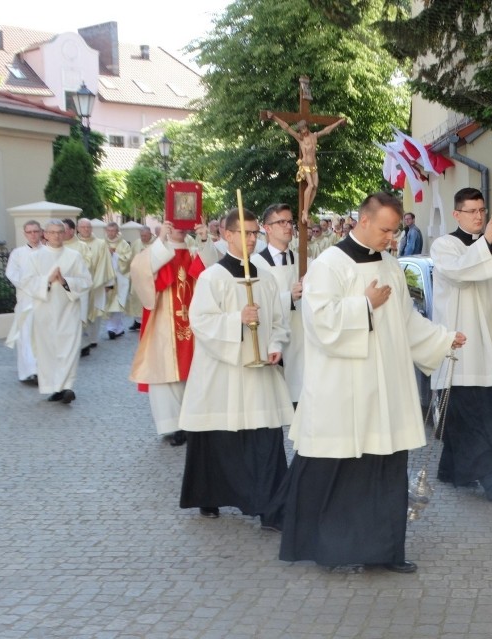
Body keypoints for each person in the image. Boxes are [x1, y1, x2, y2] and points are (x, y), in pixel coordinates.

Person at [277, 192, 465, 573]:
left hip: (387, 389)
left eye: (394, 230)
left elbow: (406, 320)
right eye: (385, 229)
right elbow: (319, 322)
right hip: (344, 389)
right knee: (339, 471)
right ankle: (330, 550)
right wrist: (363, 305)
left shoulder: (391, 265)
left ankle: (384, 551)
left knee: (386, 469)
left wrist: (442, 339)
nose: (391, 237)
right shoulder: (329, 264)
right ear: (363, 221)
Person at [178, 209, 293, 527]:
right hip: (223, 374)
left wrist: (274, 346)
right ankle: (210, 496)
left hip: (259, 375)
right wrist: (236, 320)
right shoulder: (211, 277)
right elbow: (199, 321)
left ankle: (272, 507)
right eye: (245, 233)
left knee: (265, 438)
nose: (252, 238)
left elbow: (279, 322)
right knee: (219, 437)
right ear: (227, 235)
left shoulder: (265, 276)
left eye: (256, 233)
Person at [429, 187, 492, 501]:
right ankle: (491, 477)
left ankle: (451, 471)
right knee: (468, 418)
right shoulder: (444, 246)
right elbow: (460, 274)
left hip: (487, 349)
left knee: (479, 416)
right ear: (457, 214)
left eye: (482, 210)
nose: (478, 216)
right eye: (471, 211)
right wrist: (486, 241)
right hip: (458, 348)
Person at [129, 221, 217, 446]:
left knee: (195, 369)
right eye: (173, 224)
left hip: (193, 320)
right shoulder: (157, 251)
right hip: (162, 321)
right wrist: (161, 241)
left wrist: (205, 241)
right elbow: (141, 271)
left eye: (182, 224)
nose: (179, 228)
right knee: (163, 369)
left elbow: (214, 270)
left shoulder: (194, 251)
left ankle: (191, 422)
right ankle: (172, 425)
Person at [19, 220, 91, 403]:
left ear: (65, 233)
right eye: (52, 232)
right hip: (44, 311)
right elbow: (26, 281)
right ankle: (54, 387)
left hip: (68, 310)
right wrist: (48, 281)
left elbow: (86, 281)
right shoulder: (34, 258)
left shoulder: (74, 256)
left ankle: (67, 387)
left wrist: (66, 281)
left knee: (69, 348)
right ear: (46, 234)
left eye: (60, 231)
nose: (57, 235)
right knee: (48, 350)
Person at [252, 203, 305, 404]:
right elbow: (258, 304)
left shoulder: (301, 259)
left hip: (300, 333)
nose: (288, 227)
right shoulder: (256, 264)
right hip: (272, 335)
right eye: (281, 222)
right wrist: (288, 297)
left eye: (290, 222)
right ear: (267, 227)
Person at [265, 111, 346, 224]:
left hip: (313, 165)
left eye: (304, 129)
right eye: (301, 130)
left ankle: (305, 210)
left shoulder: (314, 136)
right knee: (311, 185)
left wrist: (339, 122)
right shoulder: (300, 138)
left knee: (315, 187)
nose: (303, 132)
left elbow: (327, 130)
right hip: (305, 164)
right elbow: (287, 127)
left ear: (308, 127)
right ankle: (305, 212)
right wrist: (274, 117)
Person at [5, 219, 44, 383]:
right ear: (25, 234)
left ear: (41, 232)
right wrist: (30, 286)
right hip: (26, 300)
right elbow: (11, 274)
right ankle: (29, 371)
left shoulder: (48, 251)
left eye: (36, 231)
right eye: (29, 232)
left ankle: (43, 370)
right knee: (26, 336)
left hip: (44, 301)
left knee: (42, 336)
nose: (33, 235)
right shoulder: (18, 253)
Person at [75, 218, 115, 356]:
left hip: (96, 282)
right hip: (80, 286)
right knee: (81, 311)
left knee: (96, 311)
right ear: (78, 228)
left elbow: (106, 263)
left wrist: (107, 283)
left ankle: (93, 338)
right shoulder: (75, 244)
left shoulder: (100, 244)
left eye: (88, 227)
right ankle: (82, 339)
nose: (86, 229)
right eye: (83, 227)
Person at [103, 222, 133, 340]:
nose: (111, 233)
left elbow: (127, 259)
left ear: (117, 231)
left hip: (120, 279)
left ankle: (111, 328)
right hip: (106, 278)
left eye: (113, 231)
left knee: (117, 304)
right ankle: (118, 328)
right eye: (109, 231)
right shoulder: (102, 243)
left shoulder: (124, 244)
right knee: (108, 303)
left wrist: (114, 255)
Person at [125, 226, 156, 332]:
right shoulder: (137, 243)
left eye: (145, 236)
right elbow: (131, 258)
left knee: (148, 299)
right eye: (141, 235)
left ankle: (150, 322)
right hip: (138, 276)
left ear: (150, 234)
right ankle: (137, 322)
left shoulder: (156, 244)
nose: (143, 238)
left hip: (151, 276)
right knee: (137, 299)